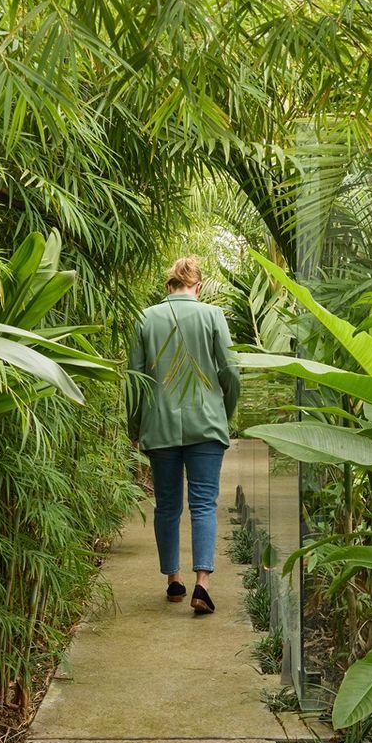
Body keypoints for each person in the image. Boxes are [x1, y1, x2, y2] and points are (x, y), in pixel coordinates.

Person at [128, 255, 241, 614]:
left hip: (159, 426)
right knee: (204, 504)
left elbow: (135, 380)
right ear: (199, 286)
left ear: (168, 286)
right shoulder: (212, 316)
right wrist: (225, 412)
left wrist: (134, 427)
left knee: (167, 505)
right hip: (206, 423)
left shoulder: (145, 318)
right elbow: (231, 372)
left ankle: (173, 580)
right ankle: (202, 586)